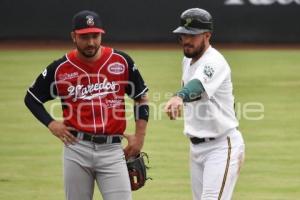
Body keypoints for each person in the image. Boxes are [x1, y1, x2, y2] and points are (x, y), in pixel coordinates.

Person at [24, 10, 149, 200]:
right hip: (76, 148)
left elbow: (141, 97)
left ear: (101, 35)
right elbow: (31, 98)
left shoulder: (121, 61)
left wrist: (139, 138)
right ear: (74, 36)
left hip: (112, 150)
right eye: (84, 37)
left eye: (95, 36)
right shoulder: (60, 68)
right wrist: (51, 123)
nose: (91, 42)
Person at [164, 8, 245, 200]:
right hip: (196, 148)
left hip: (221, 146)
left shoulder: (214, 61)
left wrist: (179, 97)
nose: (187, 40)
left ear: (207, 35)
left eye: (193, 35)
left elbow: (198, 85)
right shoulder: (188, 59)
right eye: (184, 35)